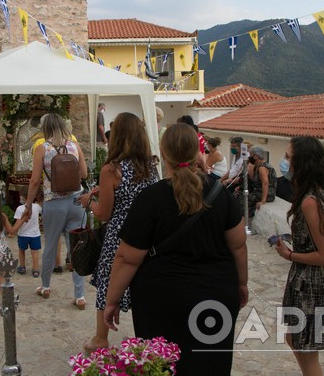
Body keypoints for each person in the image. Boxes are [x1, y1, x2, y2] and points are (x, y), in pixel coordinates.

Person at [104, 123, 248, 374]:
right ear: (197, 152)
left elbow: (127, 258)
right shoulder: (219, 193)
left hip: (161, 299)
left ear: (164, 153)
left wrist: (111, 300)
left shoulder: (150, 199)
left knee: (162, 366)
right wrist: (242, 284)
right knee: (210, 365)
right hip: (215, 294)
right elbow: (239, 246)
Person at [77, 112, 158, 354]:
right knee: (143, 286)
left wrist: (86, 202)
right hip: (147, 235)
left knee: (109, 283)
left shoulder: (111, 169)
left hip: (119, 236)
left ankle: (101, 338)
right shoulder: (149, 165)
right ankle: (147, 338)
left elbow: (103, 213)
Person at [274, 136, 324, 376]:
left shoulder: (310, 201)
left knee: (305, 349)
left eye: (288, 157)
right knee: (297, 342)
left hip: (310, 286)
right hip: (310, 282)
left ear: (301, 162)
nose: (285, 162)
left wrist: (290, 254)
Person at [23, 113, 88, 309]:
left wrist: (28, 204)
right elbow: (84, 173)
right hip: (77, 202)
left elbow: (35, 181)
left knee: (50, 245)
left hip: (54, 202)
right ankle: (80, 295)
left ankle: (46, 286)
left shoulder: (42, 149)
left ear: (45, 128)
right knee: (76, 248)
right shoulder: (75, 146)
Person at [236, 145, 277, 217]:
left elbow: (265, 183)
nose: (249, 157)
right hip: (258, 193)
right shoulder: (259, 166)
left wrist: (263, 201)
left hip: (266, 195)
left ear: (255, 156)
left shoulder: (262, 168)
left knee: (238, 197)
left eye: (250, 154)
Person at [15, 186, 42, 278]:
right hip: (35, 234)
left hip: (22, 234)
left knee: (21, 250)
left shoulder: (19, 209)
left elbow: (18, 222)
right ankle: (36, 270)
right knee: (35, 252)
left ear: (22, 196)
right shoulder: (37, 207)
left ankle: (22, 267)